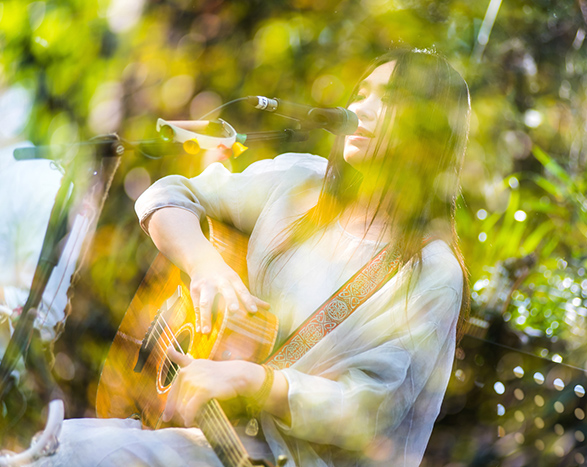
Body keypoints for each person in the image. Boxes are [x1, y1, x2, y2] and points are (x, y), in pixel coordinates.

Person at [33, 48, 471, 467]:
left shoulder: (432, 271)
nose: (361, 109)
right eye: (361, 93)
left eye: (389, 100)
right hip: (203, 435)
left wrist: (251, 381)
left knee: (68, 454)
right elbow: (167, 196)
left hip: (287, 458)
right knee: (48, 446)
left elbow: (368, 411)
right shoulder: (300, 182)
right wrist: (206, 268)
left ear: (429, 128)